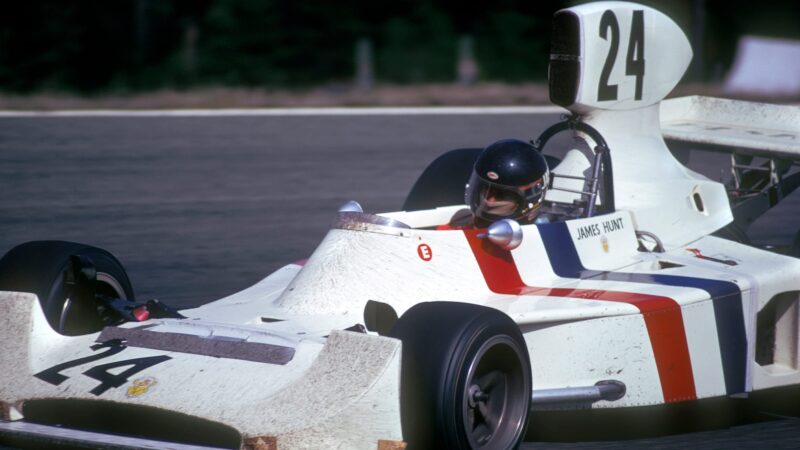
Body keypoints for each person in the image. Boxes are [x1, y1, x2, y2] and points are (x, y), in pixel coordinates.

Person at [440, 138, 550, 229]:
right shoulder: (456, 227)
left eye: (502, 194)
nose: (489, 200)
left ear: (531, 201)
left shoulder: (547, 238)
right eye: (484, 188)